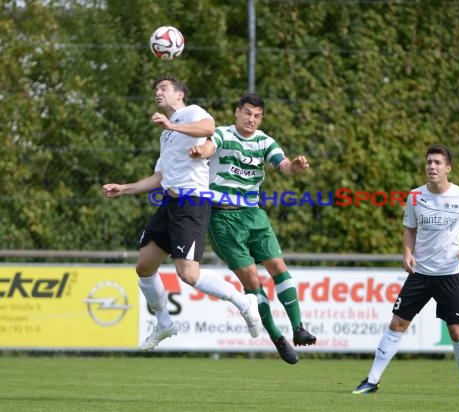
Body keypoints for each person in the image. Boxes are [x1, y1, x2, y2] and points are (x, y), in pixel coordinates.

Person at [102, 76, 261, 351]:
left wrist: (172, 123)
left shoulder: (191, 113)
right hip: (170, 203)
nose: (157, 93)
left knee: (188, 274)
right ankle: (164, 323)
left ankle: (242, 301)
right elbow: (159, 177)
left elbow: (209, 127)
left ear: (180, 94)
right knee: (144, 266)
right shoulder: (166, 135)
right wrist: (124, 188)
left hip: (192, 203)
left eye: (163, 88)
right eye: (156, 89)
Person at [190, 93, 316, 364]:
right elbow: (212, 146)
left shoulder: (264, 141)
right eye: (247, 113)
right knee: (254, 282)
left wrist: (294, 166)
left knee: (279, 269)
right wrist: (202, 151)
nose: (251, 119)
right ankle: (277, 338)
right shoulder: (223, 133)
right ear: (237, 112)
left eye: (257, 116)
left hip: (254, 216)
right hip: (223, 219)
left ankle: (298, 328)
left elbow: (283, 166)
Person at [352, 144, 459, 396]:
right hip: (421, 274)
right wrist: (407, 253)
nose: (432, 167)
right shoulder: (415, 196)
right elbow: (410, 229)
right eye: (429, 162)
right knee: (397, 323)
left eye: (437, 163)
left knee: (457, 331)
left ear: (448, 168)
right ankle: (372, 380)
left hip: (449, 274)